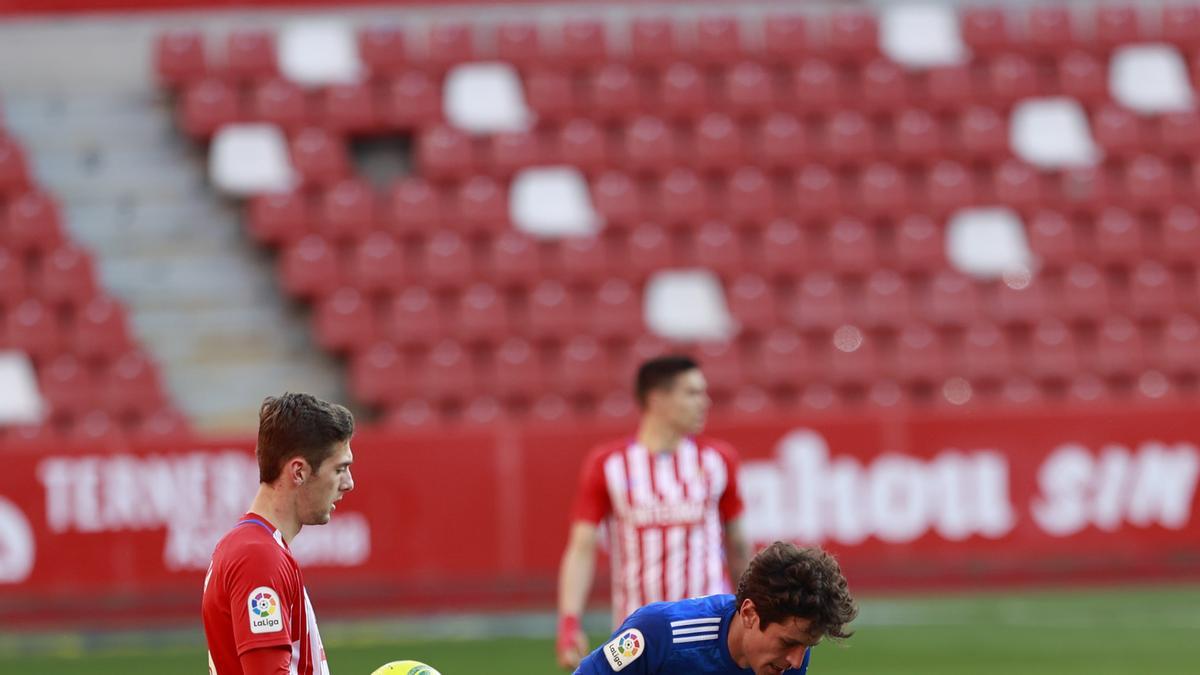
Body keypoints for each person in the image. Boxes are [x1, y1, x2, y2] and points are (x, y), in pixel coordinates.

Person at [557, 355, 751, 670]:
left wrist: (754, 612)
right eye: (692, 393)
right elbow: (582, 549)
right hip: (637, 637)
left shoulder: (718, 460)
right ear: (657, 399)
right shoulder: (609, 464)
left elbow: (738, 545)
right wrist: (569, 623)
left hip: (711, 632)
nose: (705, 402)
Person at [202, 393, 356, 675]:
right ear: (298, 472)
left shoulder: (256, 547)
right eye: (340, 469)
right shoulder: (257, 556)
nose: (348, 483)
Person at [573, 542, 857, 675]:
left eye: (807, 646)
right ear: (749, 614)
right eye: (788, 642)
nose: (797, 661)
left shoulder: (788, 664)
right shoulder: (658, 634)